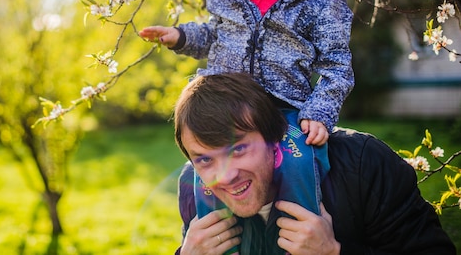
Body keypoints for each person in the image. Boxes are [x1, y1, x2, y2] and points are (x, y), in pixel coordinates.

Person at [140, 0, 354, 237]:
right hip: (227, 107)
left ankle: (295, 237)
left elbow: (337, 67)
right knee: (204, 175)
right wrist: (180, 37)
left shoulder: (316, 6)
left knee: (300, 163)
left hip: (282, 112)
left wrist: (318, 112)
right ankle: (217, 238)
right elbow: (212, 35)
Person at [172, 73, 456, 255]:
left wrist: (334, 253)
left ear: (274, 138)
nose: (226, 175)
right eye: (205, 159)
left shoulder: (362, 164)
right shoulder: (194, 190)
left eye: (239, 149)